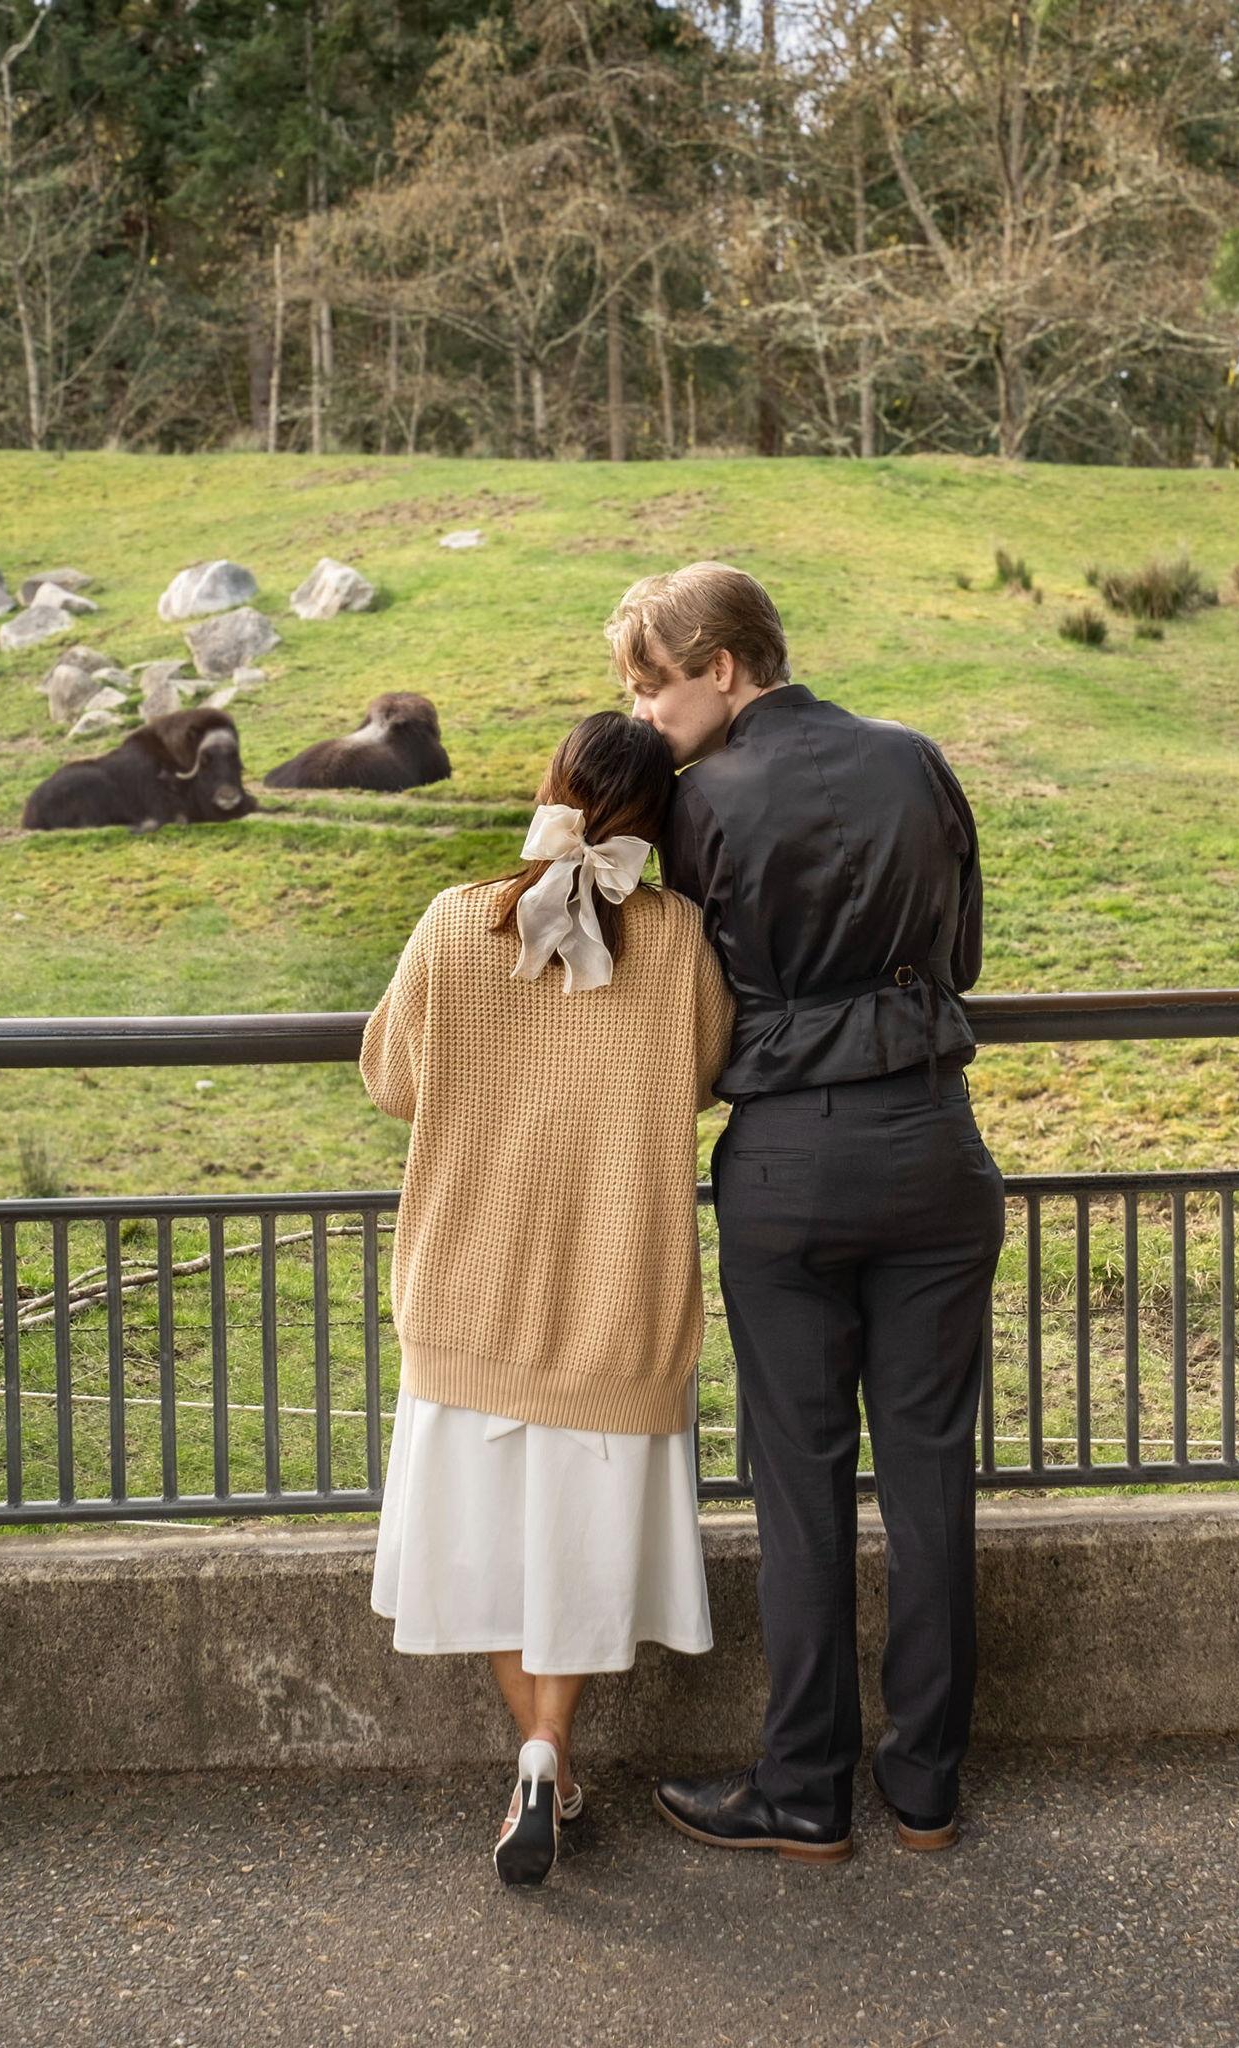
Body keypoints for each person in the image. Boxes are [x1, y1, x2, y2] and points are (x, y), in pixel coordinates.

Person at [612, 561, 1006, 1864]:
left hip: (788, 1161)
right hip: (935, 1143)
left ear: (722, 665)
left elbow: (675, 990)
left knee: (801, 1483)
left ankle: (803, 1788)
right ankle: (927, 1786)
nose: (646, 712)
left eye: (654, 685)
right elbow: (961, 960)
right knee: (932, 1471)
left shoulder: (698, 803)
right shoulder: (914, 758)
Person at [359, 709, 735, 1888]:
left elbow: (391, 1078)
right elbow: (706, 1072)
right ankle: (548, 1749)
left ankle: (536, 1757)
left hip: (469, 1290)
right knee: (570, 1548)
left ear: (551, 786)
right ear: (658, 816)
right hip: (611, 1297)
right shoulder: (677, 936)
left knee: (489, 1551)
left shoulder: (453, 919)